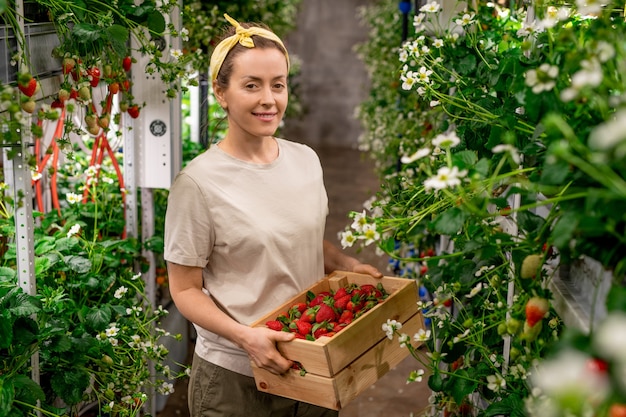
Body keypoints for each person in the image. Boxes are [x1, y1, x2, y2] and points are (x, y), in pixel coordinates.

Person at [163, 14, 383, 417]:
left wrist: (347, 264)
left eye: (277, 85)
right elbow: (185, 289)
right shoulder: (197, 184)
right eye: (252, 85)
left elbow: (301, 238)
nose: (269, 99)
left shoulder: (305, 160)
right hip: (236, 380)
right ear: (221, 93)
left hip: (312, 365)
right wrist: (245, 337)